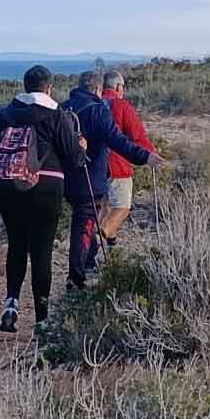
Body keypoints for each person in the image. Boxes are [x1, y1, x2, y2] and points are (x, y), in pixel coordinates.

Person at [0, 65, 86, 334]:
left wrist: (6, 181)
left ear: (25, 86)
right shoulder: (56, 114)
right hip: (47, 187)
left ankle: (11, 302)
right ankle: (41, 321)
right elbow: (74, 159)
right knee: (42, 251)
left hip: (7, 187)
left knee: (17, 245)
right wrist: (81, 146)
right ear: (49, 87)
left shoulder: (6, 114)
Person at [62, 69, 158, 288]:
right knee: (110, 214)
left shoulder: (63, 107)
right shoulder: (106, 108)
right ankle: (78, 275)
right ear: (114, 87)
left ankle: (91, 256)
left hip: (67, 179)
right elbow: (126, 138)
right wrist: (148, 155)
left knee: (89, 219)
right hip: (101, 173)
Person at [98, 68, 154, 242]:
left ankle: (100, 248)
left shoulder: (93, 104)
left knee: (103, 207)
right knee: (121, 207)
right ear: (118, 86)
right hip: (117, 165)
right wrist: (151, 154)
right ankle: (97, 240)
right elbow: (137, 135)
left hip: (94, 166)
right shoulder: (121, 105)